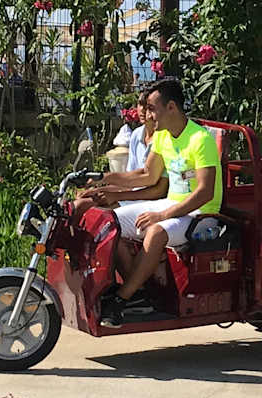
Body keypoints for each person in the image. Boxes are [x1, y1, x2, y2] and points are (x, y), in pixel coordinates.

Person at [86, 77, 223, 318]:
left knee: (156, 232)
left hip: (202, 214)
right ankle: (139, 294)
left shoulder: (200, 140)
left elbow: (205, 193)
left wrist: (161, 215)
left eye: (152, 108)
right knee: (108, 223)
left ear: (171, 107)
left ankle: (121, 299)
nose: (148, 115)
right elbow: (147, 175)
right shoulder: (162, 136)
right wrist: (102, 178)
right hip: (174, 206)